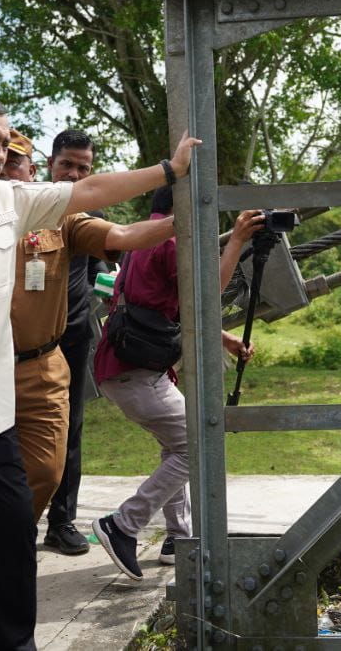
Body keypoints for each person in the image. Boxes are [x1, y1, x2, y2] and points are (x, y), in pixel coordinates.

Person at [0, 90, 199, 651]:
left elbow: (90, 192)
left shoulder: (9, 201)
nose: (0, 154)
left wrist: (168, 171)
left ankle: (13, 641)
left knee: (13, 526)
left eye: (5, 143)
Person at [0, 128, 176, 647]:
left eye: (15, 163)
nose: (6, 170)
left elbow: (122, 235)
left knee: (44, 473)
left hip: (42, 367)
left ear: (32, 170)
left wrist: (184, 219)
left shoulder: (61, 217)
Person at [92, 188, 261, 578]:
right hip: (137, 371)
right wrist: (237, 240)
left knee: (177, 445)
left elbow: (168, 305)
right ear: (184, 206)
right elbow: (205, 295)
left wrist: (224, 338)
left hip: (125, 366)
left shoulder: (142, 235)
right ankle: (123, 524)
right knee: (198, 444)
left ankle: (178, 538)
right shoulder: (170, 240)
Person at [44, 129, 110, 556]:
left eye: (83, 168)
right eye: (66, 164)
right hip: (22, 340)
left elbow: (98, 270)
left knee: (71, 429)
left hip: (74, 336)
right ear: (50, 164)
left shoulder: (92, 213)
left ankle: (61, 522)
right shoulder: (26, 205)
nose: (73, 174)